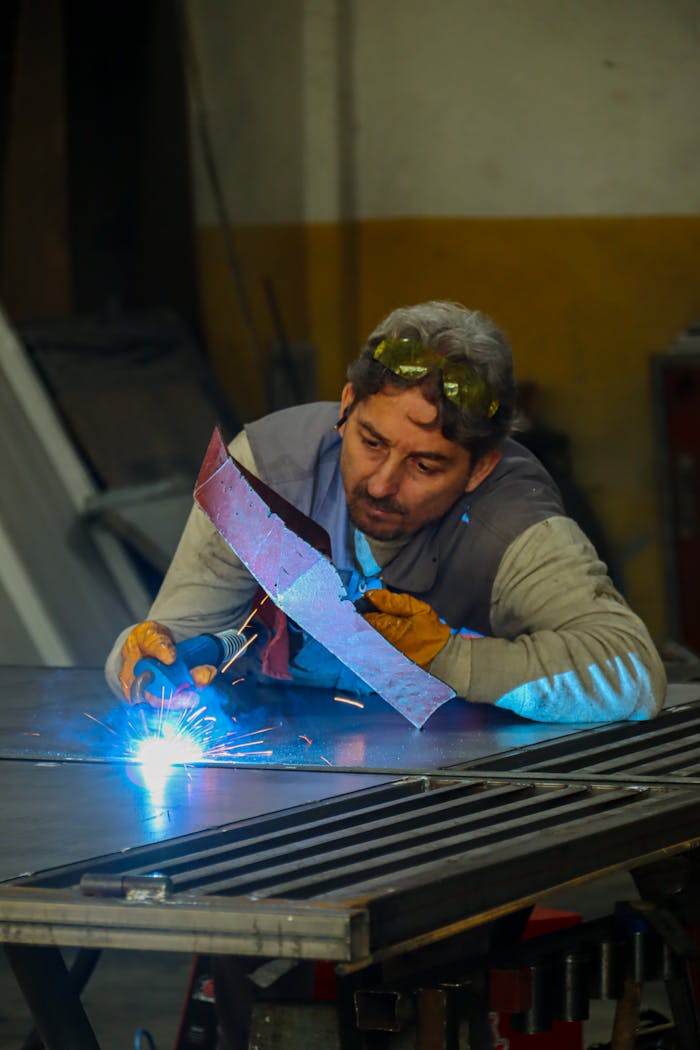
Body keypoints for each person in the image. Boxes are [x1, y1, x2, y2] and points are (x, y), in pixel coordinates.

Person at [105, 300, 666, 722]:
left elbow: (634, 674)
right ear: (347, 406)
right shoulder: (266, 475)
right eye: (371, 442)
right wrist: (139, 662)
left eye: (424, 466)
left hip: (457, 779)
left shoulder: (513, 524)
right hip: (291, 749)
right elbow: (174, 637)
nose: (380, 483)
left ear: (478, 469)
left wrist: (449, 659)